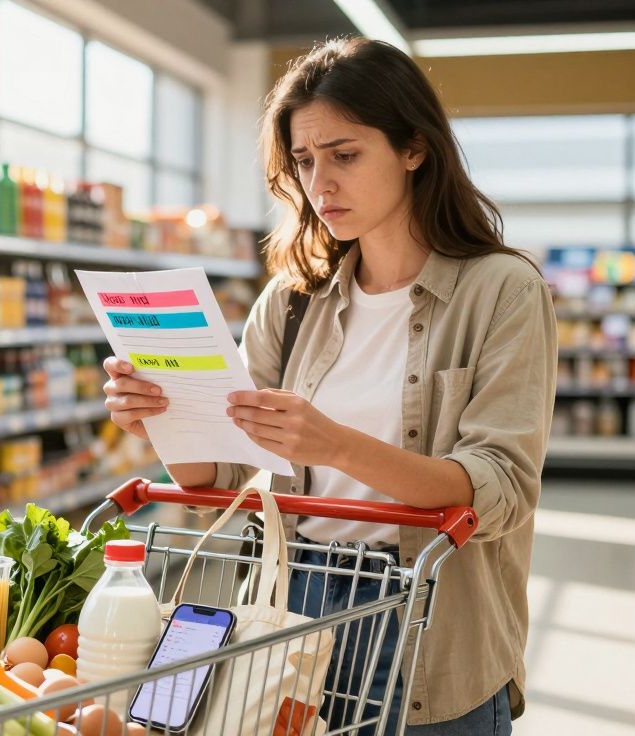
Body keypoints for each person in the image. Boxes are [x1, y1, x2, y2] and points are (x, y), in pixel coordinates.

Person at [101, 37, 555, 735]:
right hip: (289, 608)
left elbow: (499, 486)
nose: (321, 184)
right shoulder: (292, 300)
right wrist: (163, 421)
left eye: (345, 155)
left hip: (426, 619)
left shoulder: (502, 291)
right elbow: (221, 475)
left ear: (414, 148)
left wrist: (336, 446)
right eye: (305, 161)